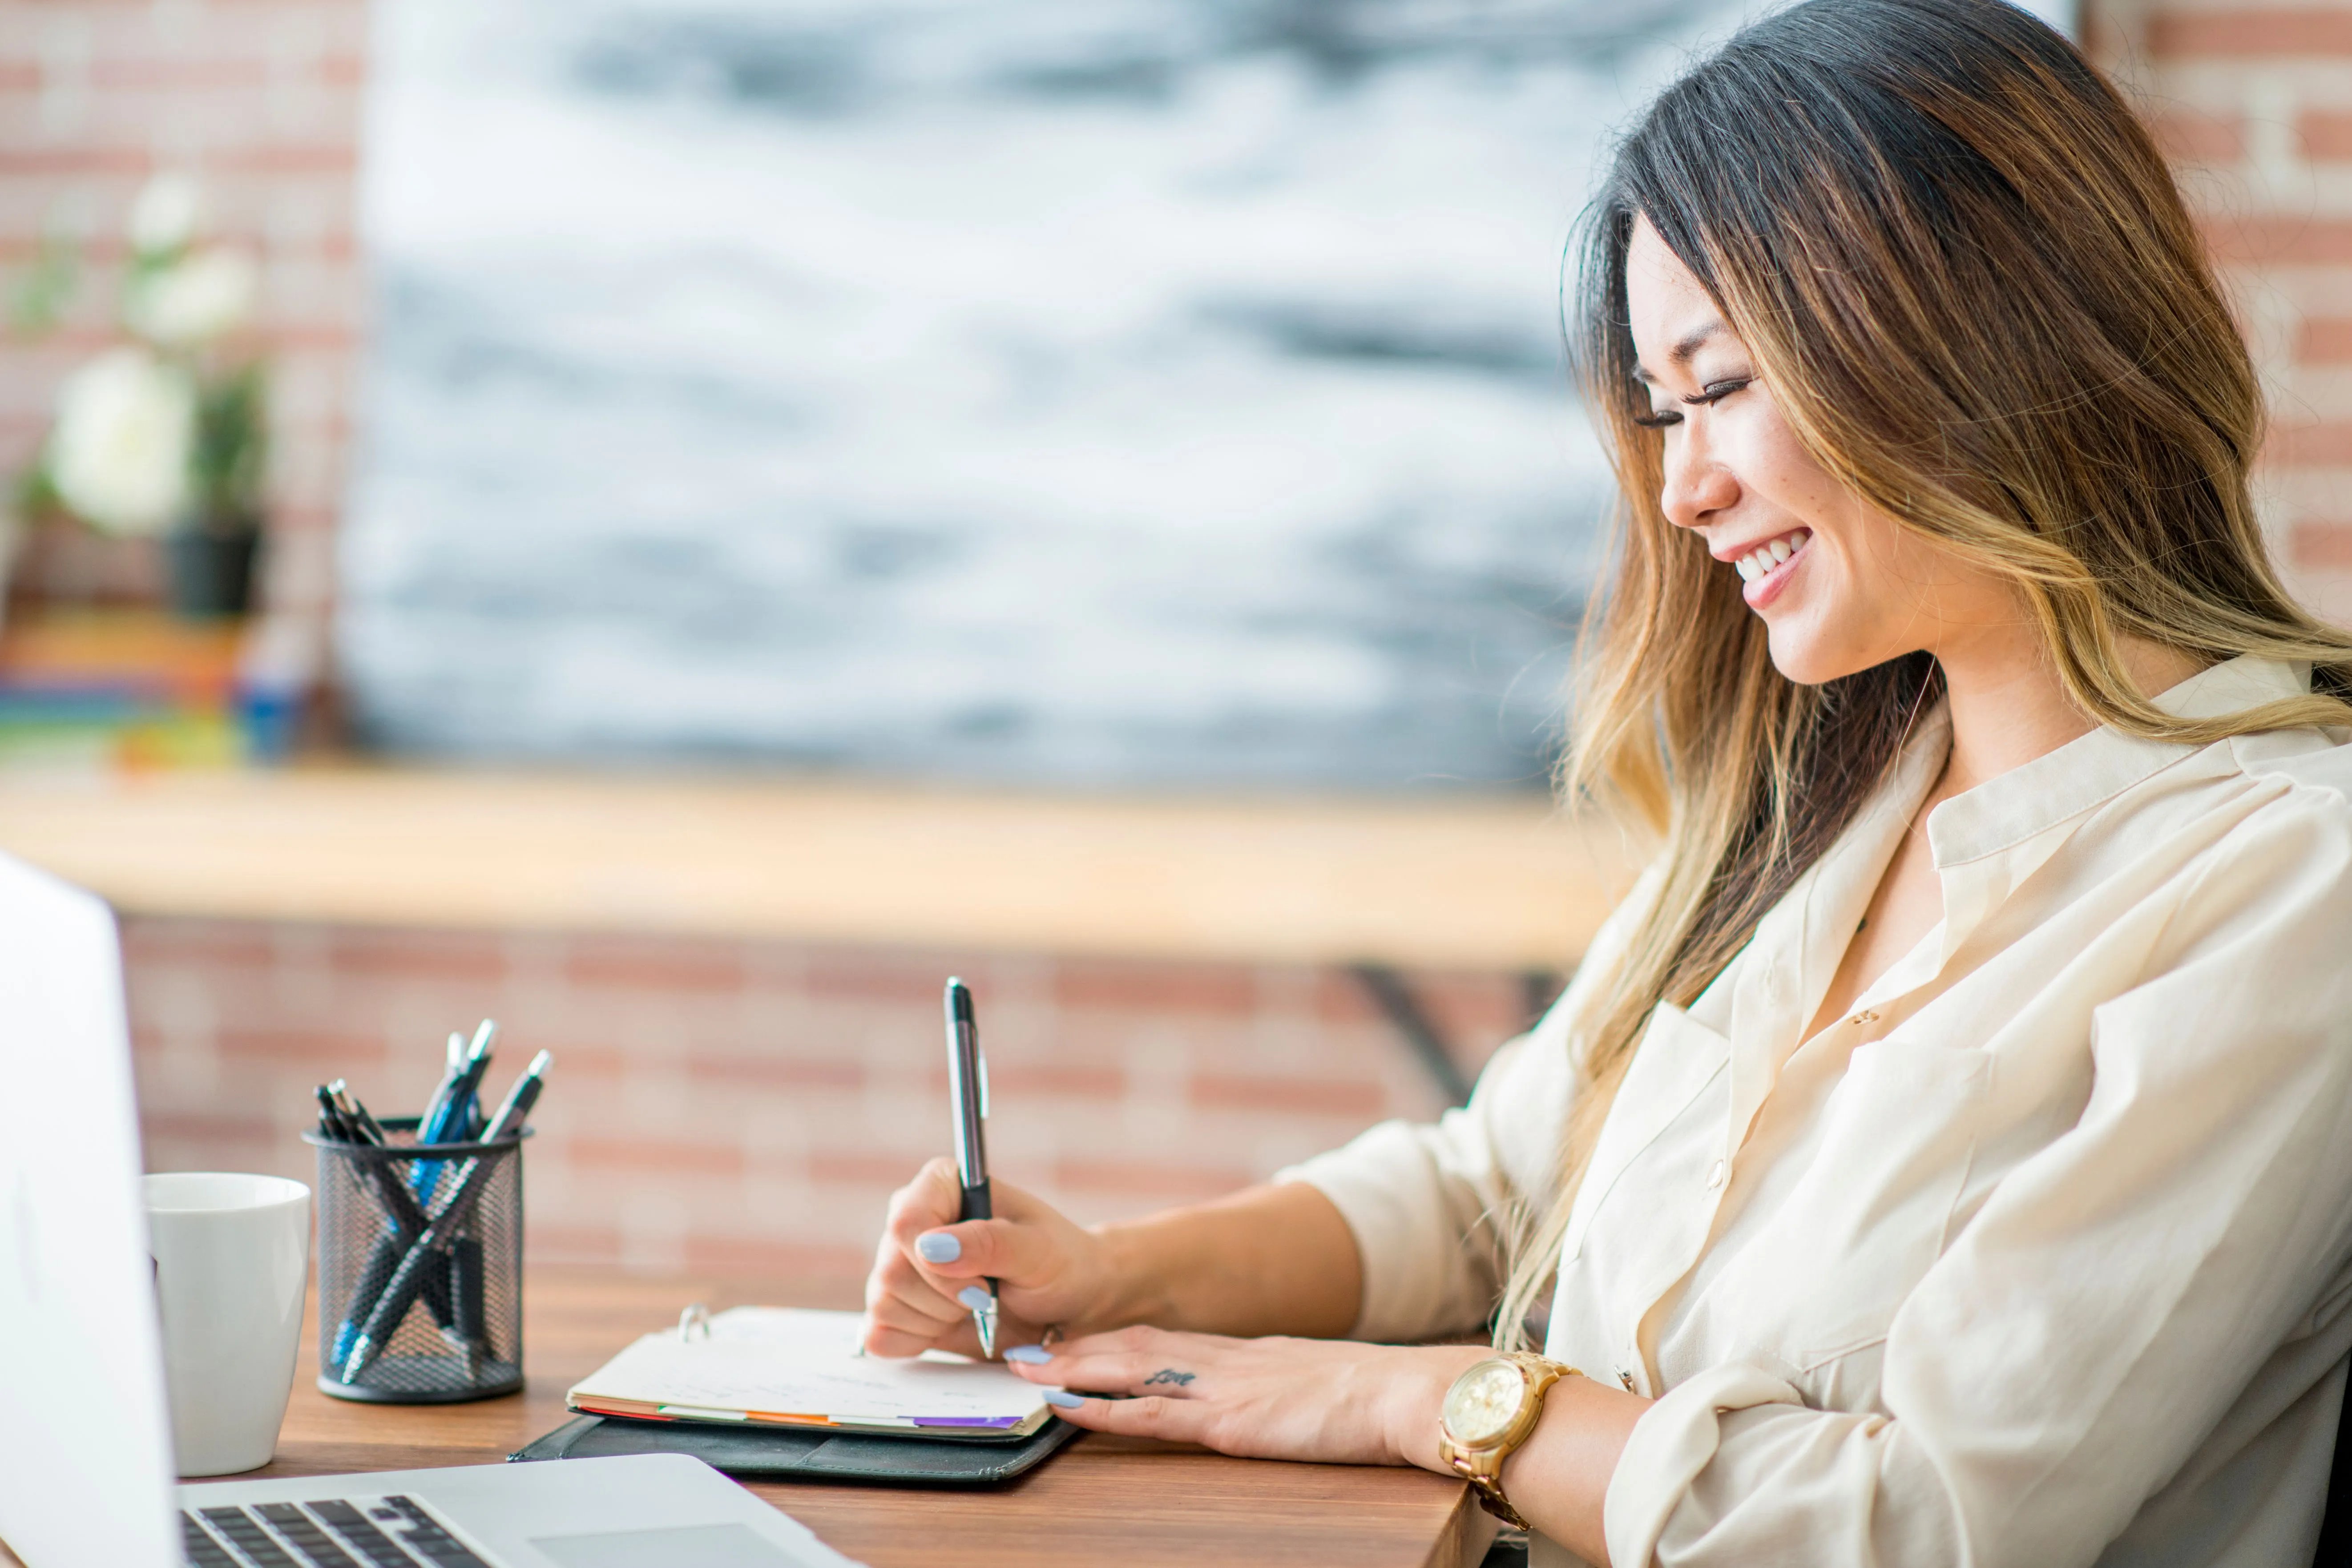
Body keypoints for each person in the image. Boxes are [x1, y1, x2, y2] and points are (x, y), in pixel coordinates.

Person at [860, 1, 2352, 1561]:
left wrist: (1425, 1406)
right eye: (1659, 410)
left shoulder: (2288, 882)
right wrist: (1118, 1276)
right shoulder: (1825, 803)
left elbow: (1929, 1523)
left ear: (1961, 332)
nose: (1682, 488)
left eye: (1719, 390)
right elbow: (1489, 1189)